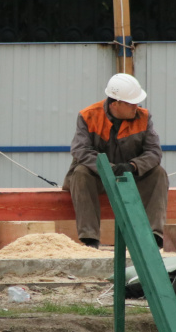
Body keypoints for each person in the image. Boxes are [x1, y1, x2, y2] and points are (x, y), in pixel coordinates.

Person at [62, 73, 169, 250]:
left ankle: (152, 237)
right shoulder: (88, 116)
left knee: (159, 173)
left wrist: (133, 166)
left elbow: (154, 152)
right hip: (97, 177)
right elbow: (80, 150)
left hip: (131, 176)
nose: (136, 106)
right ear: (115, 104)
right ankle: (90, 239)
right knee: (80, 173)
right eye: (131, 102)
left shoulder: (144, 117)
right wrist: (108, 168)